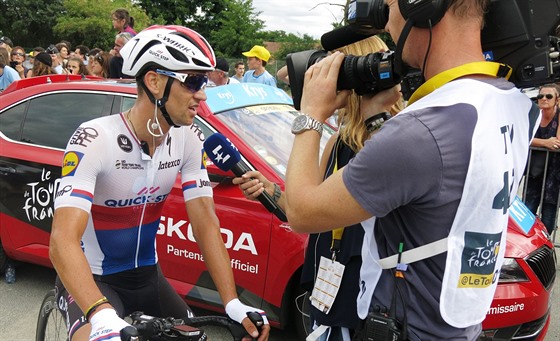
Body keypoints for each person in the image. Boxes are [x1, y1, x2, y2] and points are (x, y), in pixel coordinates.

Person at [283, 1, 540, 340]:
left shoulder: (421, 132)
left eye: (389, 6)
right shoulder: (514, 105)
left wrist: (311, 114)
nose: (387, 24)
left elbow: (300, 211)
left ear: (422, 6)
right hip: (458, 325)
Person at [49, 25, 270, 341]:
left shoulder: (189, 139)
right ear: (154, 81)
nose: (202, 94)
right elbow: (62, 239)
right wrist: (100, 314)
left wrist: (232, 303)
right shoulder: (96, 139)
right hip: (93, 280)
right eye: (192, 81)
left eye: (204, 81)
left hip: (148, 278)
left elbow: (206, 222)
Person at [234, 35, 402, 341]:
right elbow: (303, 210)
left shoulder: (390, 137)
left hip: (364, 301)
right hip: (326, 289)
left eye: (332, 70)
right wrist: (269, 190)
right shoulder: (340, 138)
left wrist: (311, 114)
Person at [524, 83, 559, 234]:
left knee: (548, 216)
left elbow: (557, 143)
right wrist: (545, 142)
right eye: (540, 96)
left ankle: (542, 250)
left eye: (549, 96)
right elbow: (523, 137)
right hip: (534, 172)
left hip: (553, 175)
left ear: (557, 100)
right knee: (526, 212)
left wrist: (535, 141)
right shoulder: (533, 115)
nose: (544, 99)